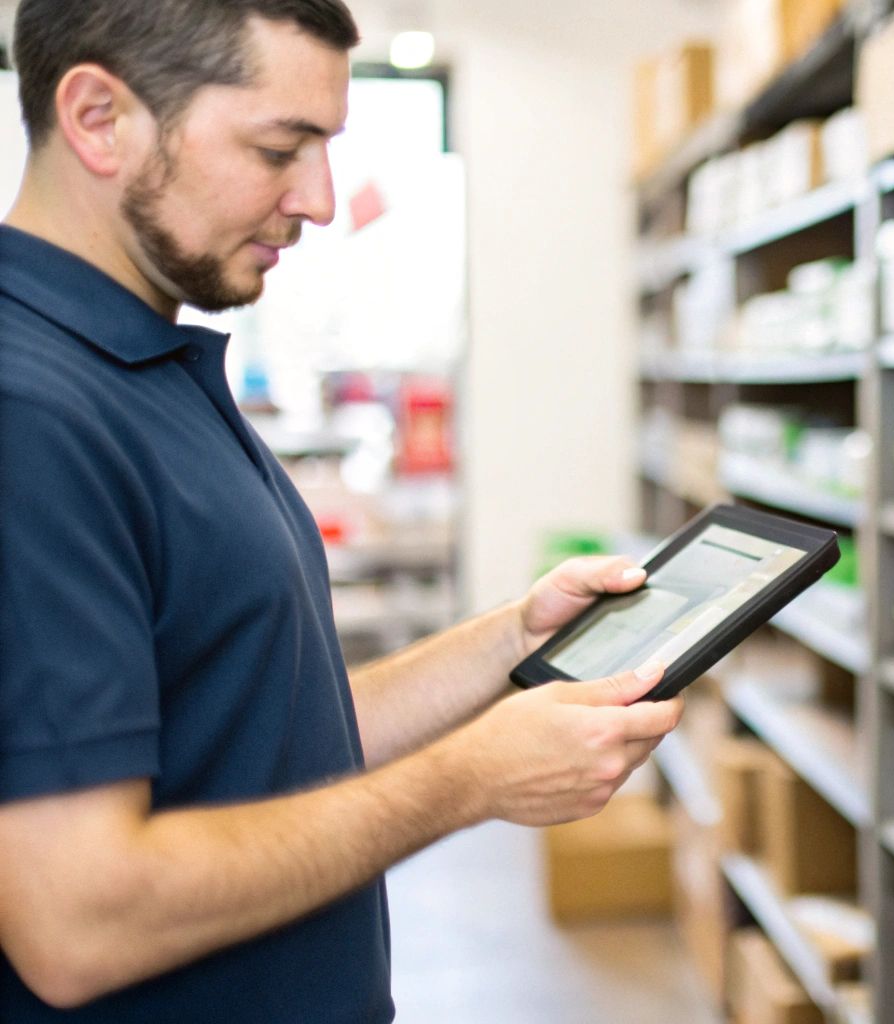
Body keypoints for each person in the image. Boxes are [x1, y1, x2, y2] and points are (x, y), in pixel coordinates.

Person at [0, 1, 683, 1019]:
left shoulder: (145, 363)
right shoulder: (32, 414)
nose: (317, 200)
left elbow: (264, 734)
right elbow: (77, 919)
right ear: (99, 118)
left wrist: (511, 638)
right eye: (281, 147)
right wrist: (465, 782)